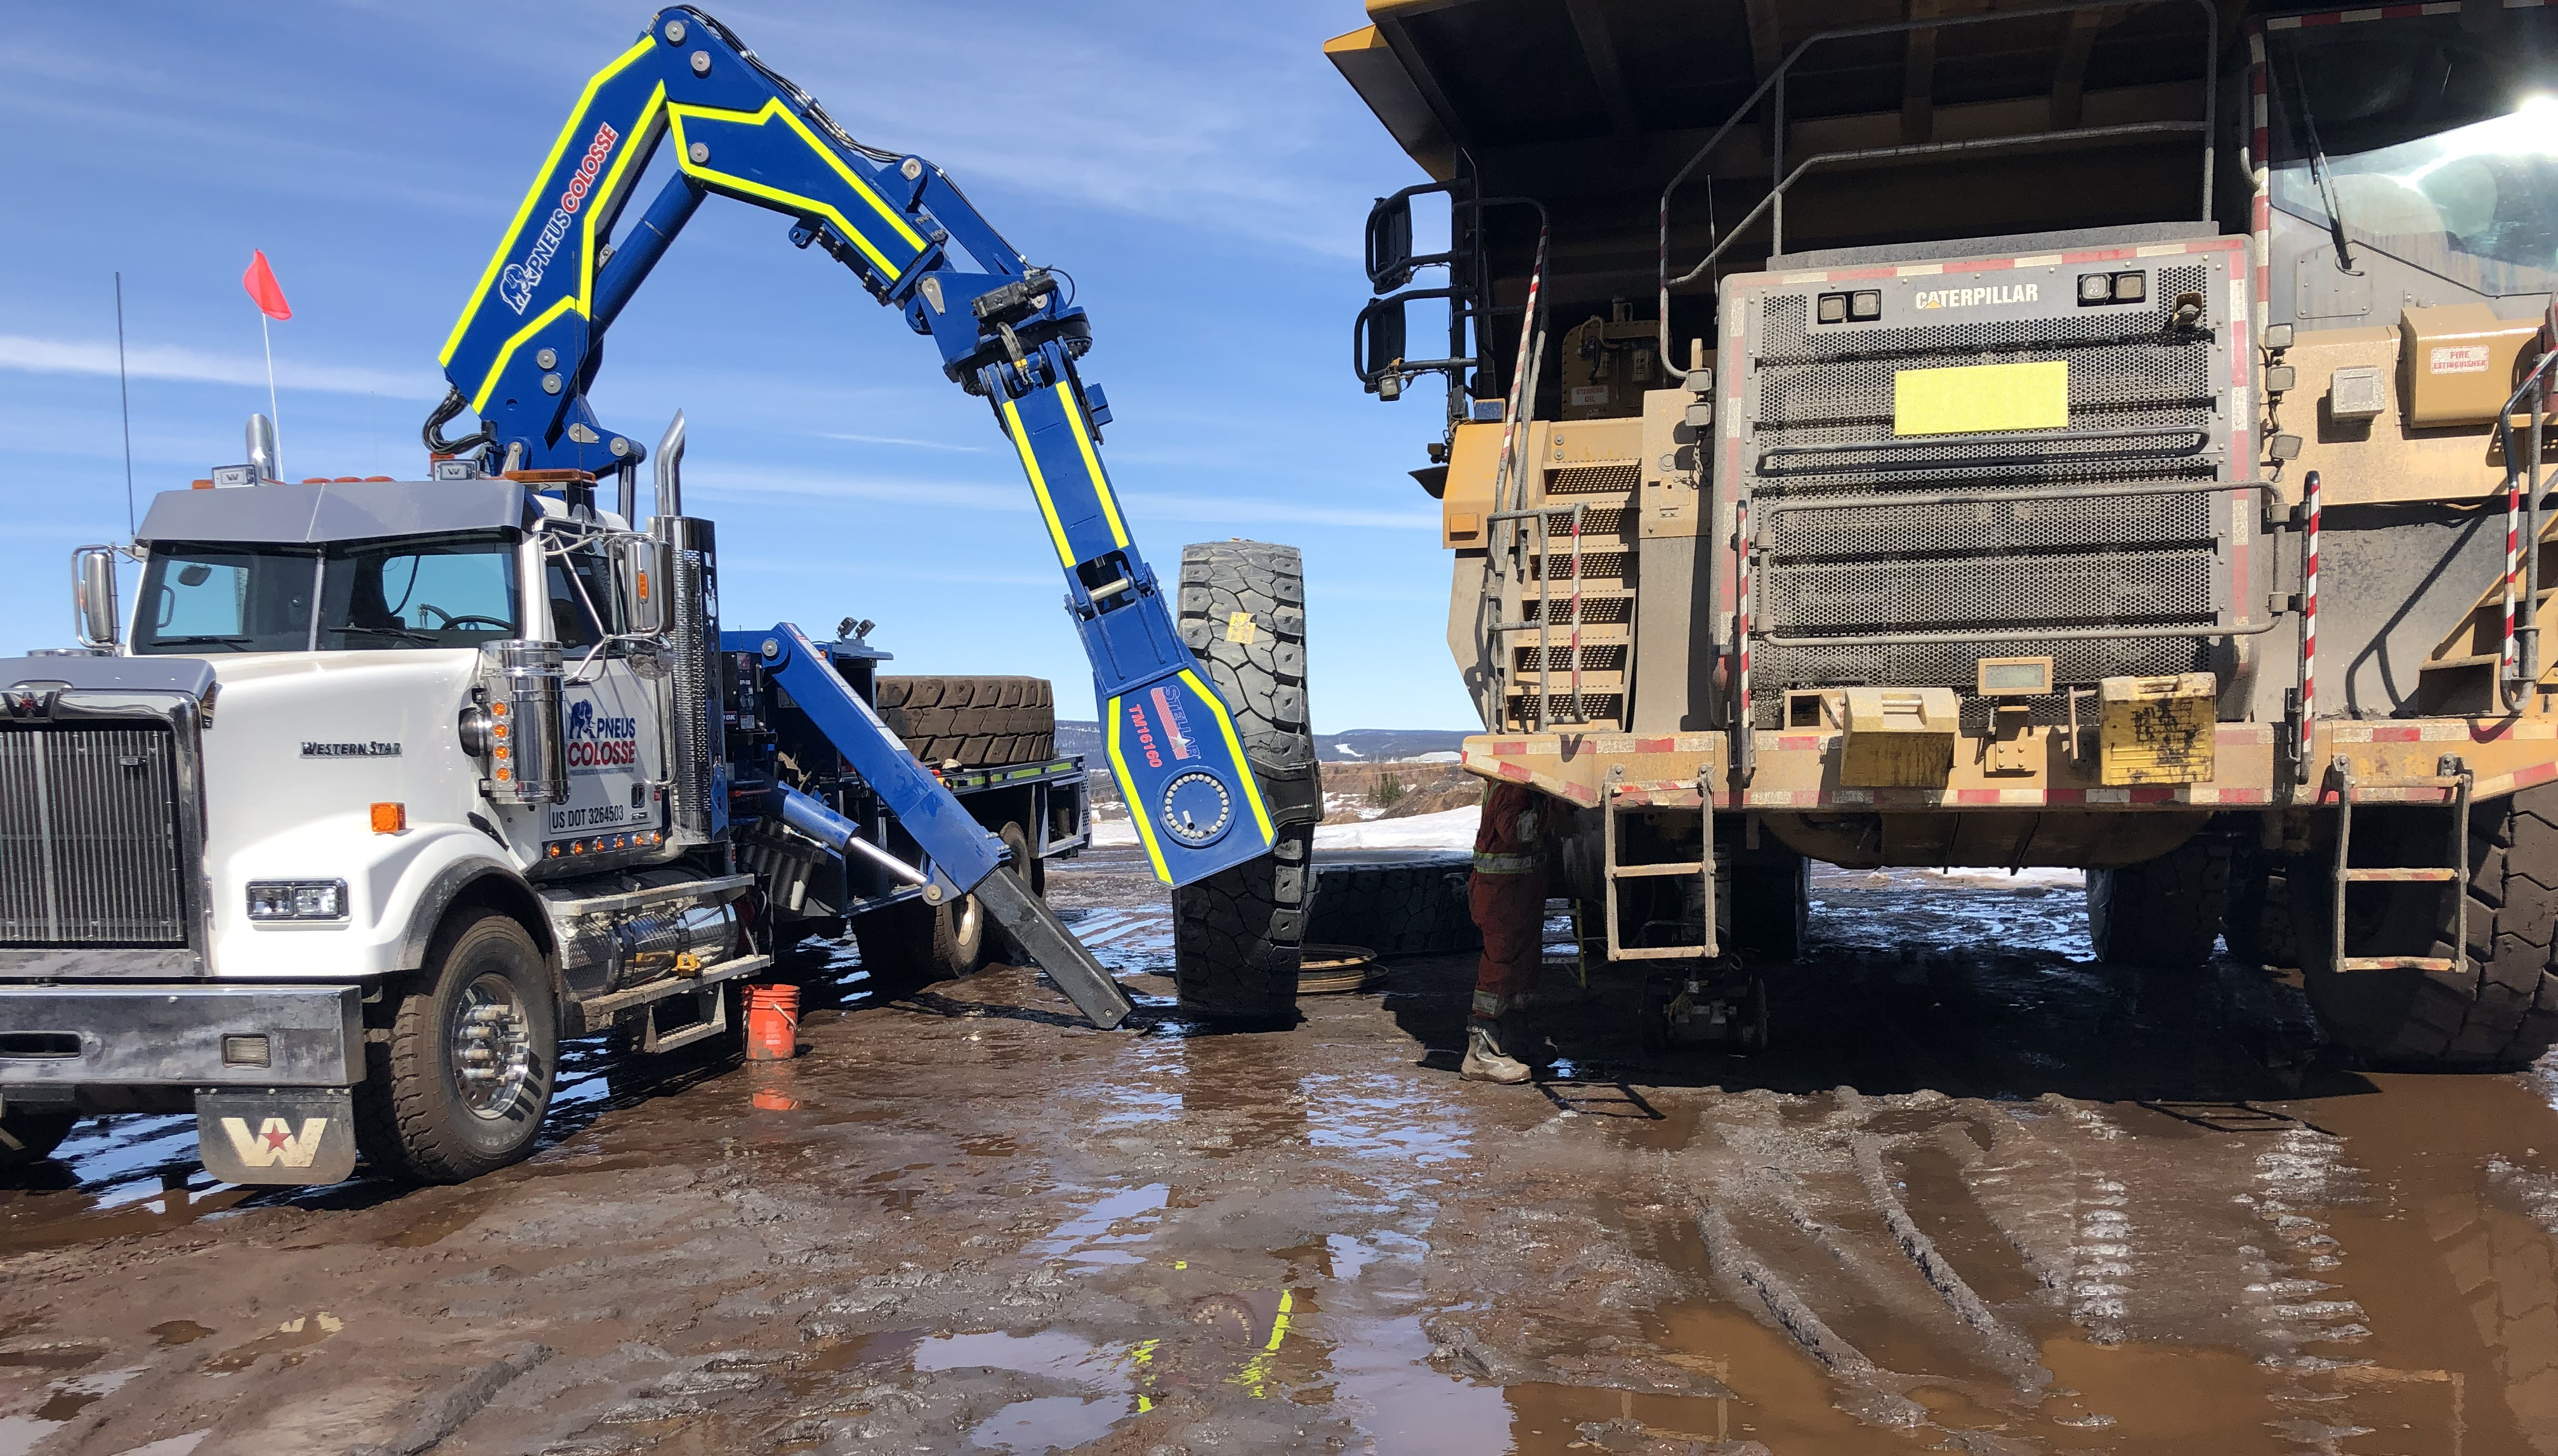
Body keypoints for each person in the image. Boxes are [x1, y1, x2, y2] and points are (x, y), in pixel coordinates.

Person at [1463, 780, 1545, 1084]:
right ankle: (1480, 1054)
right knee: (1500, 966)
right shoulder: (1513, 787)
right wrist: (1553, 813)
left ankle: (1514, 1042)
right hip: (1501, 893)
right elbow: (1514, 829)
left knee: (1524, 968)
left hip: (1519, 890)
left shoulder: (1524, 786)